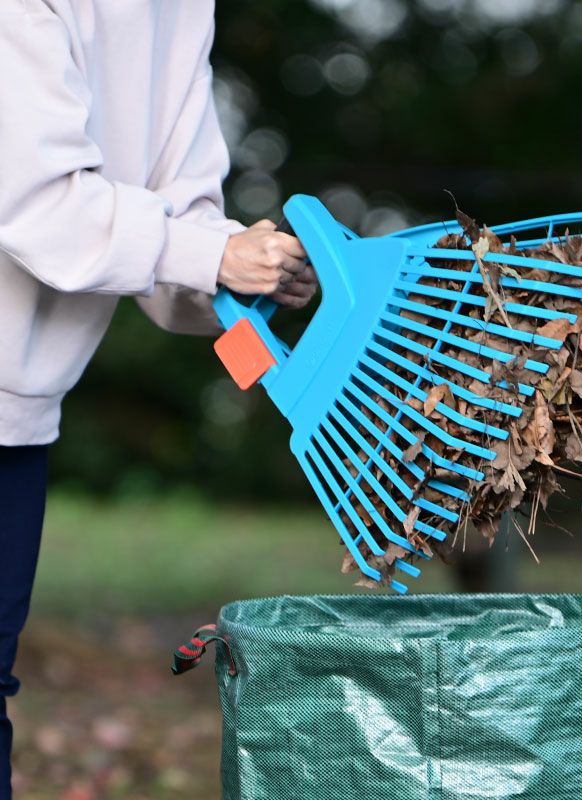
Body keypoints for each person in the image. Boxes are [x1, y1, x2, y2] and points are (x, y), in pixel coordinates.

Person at [0, 2, 317, 795]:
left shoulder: (178, 11)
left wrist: (257, 273)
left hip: (20, 416)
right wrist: (213, 252)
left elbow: (180, 232)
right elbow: (38, 205)